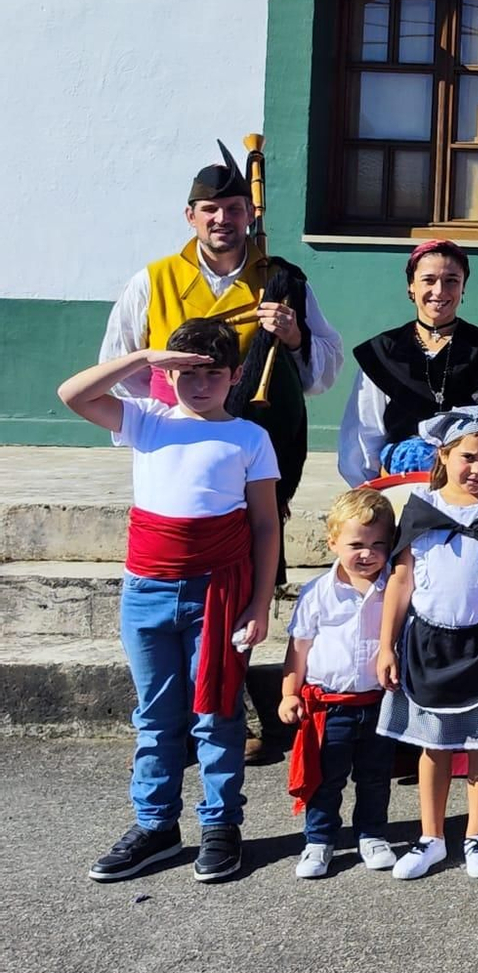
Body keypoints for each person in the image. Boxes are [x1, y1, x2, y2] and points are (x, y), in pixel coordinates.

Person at [66, 320, 281, 885]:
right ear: (166, 373)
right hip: (147, 591)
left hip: (219, 591)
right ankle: (157, 826)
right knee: (157, 719)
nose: (200, 383)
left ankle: (221, 826)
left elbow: (264, 526)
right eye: (187, 371)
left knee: (216, 713)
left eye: (213, 372)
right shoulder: (145, 421)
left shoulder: (250, 438)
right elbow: (73, 394)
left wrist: (260, 604)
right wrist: (145, 356)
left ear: (236, 376)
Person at [103, 142, 343, 520]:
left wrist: (295, 337)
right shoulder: (153, 281)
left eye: (234, 209)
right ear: (190, 215)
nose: (222, 219)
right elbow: (119, 367)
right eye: (210, 209)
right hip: (177, 441)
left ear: (250, 213)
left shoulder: (282, 280)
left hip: (255, 439)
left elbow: (324, 368)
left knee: (255, 543)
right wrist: (169, 413)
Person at [375, 405, 478, 881]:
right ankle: (431, 837)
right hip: (427, 646)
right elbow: (401, 583)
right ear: (443, 455)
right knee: (434, 746)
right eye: (469, 457)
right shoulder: (422, 510)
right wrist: (387, 646)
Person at [338, 240, 478, 489]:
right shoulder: (382, 353)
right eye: (428, 280)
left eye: (451, 280)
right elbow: (363, 433)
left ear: (463, 287)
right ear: (411, 287)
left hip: (471, 489)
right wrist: (371, 492)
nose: (439, 291)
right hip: (399, 486)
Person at [280, 487, 397, 880]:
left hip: (379, 702)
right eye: (356, 544)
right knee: (325, 779)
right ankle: (319, 840)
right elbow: (298, 649)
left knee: (376, 776)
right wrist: (288, 693)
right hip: (330, 706)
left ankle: (372, 834)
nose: (368, 553)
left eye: (379, 543)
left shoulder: (394, 590)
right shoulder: (317, 593)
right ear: (333, 542)